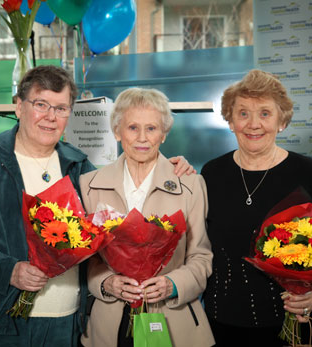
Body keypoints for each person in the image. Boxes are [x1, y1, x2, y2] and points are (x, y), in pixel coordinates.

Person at [0, 66, 193, 346]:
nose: (50, 117)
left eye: (61, 108)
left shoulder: (78, 165)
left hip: (67, 323)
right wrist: (8, 270)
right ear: (19, 106)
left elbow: (113, 215)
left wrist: (168, 167)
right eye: (40, 105)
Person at [201, 69, 312, 347]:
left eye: (265, 113)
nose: (253, 124)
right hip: (224, 323)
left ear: (281, 121)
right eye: (243, 113)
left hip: (298, 320)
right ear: (230, 120)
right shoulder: (212, 173)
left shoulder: (308, 172)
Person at [79, 87, 215, 347]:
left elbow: (201, 256)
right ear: (117, 131)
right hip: (109, 324)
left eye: (151, 128)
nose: (142, 137)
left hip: (174, 323)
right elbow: (87, 259)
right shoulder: (89, 185)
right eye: (132, 128)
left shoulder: (191, 184)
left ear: (164, 134)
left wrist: (172, 284)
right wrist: (107, 282)